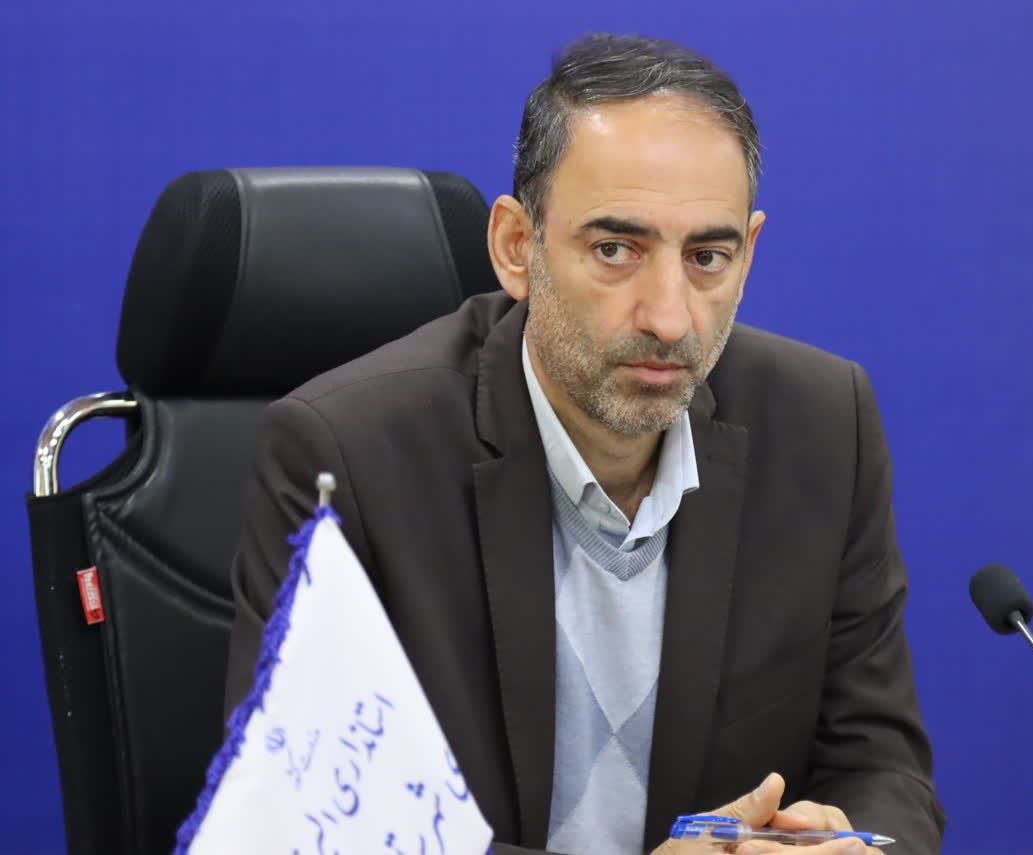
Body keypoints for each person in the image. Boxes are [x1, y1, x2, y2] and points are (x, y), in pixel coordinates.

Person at [225, 33, 944, 855]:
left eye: (707, 257)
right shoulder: (344, 455)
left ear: (748, 256)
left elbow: (882, 764)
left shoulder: (822, 424)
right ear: (516, 247)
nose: (668, 316)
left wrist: (852, 844)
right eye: (615, 250)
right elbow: (309, 823)